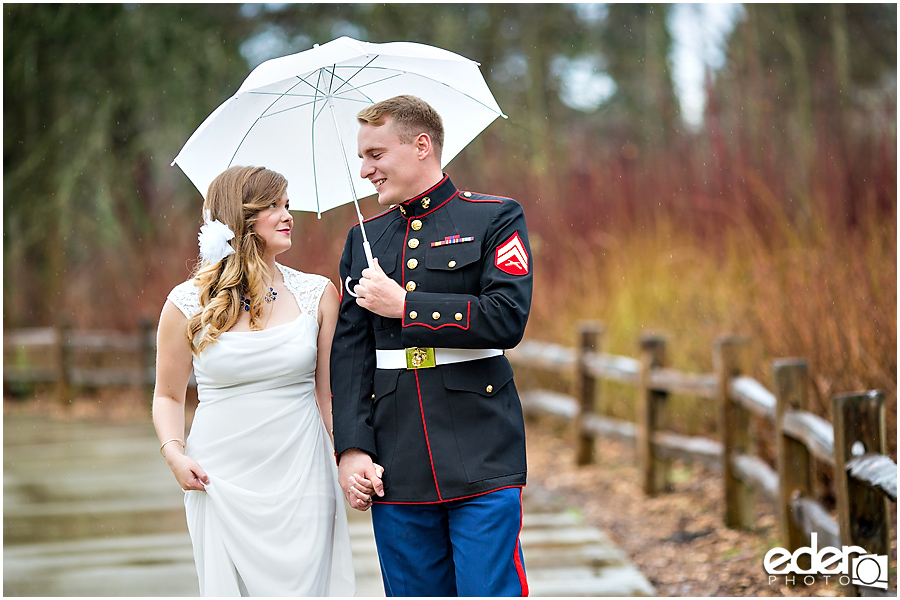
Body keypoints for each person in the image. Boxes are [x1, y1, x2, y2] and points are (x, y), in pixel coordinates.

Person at [331, 95, 533, 596]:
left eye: (375, 154)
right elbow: (352, 356)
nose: (364, 170)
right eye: (361, 157)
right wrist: (352, 449)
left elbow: (507, 317)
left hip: (482, 447)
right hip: (396, 458)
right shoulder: (364, 240)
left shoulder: (494, 218)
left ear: (421, 145)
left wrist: (407, 307)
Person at [152, 165, 356, 596]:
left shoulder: (317, 294)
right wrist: (174, 453)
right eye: (273, 206)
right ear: (240, 218)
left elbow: (329, 394)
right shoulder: (185, 303)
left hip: (303, 471)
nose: (288, 215)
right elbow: (168, 395)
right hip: (220, 477)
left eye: (287, 204)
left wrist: (349, 455)